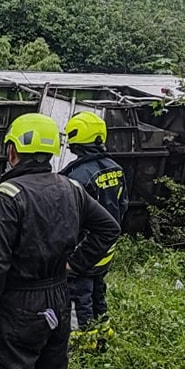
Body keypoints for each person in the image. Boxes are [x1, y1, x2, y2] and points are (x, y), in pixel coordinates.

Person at [0, 113, 121, 369]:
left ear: (12, 150)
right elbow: (109, 228)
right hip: (59, 300)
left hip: (19, 305)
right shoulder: (71, 187)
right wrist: (74, 264)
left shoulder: (10, 193)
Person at [60, 111, 129, 330]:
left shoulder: (76, 177)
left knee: (79, 299)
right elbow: (123, 206)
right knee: (98, 294)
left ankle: (84, 344)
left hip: (82, 252)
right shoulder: (115, 169)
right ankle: (102, 339)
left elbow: (70, 219)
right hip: (105, 250)